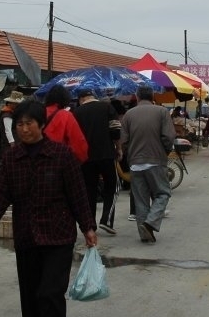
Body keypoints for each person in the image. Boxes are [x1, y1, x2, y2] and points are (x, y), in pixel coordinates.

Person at [0, 99, 97, 317]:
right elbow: (1, 192)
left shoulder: (61, 155)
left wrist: (88, 227)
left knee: (50, 293)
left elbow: (77, 194)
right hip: (27, 236)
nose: (24, 129)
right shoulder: (12, 158)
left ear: (42, 124)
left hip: (58, 236)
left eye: (29, 123)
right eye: (19, 125)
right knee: (30, 295)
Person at [121, 85, 175, 244]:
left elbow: (123, 141)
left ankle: (145, 234)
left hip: (135, 163)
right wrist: (164, 152)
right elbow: (168, 137)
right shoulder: (162, 112)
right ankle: (150, 222)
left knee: (141, 199)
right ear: (153, 97)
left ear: (137, 97)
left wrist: (131, 153)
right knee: (163, 193)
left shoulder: (128, 115)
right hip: (156, 160)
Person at [72, 87, 122, 235]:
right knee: (111, 187)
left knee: (89, 191)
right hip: (106, 154)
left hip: (85, 158)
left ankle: (90, 224)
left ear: (81, 99)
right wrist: (118, 148)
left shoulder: (77, 112)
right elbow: (115, 130)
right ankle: (106, 219)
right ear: (92, 96)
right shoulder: (107, 107)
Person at [42, 84, 89, 163]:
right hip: (59, 162)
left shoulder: (38, 112)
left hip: (38, 161)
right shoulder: (66, 115)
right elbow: (78, 143)